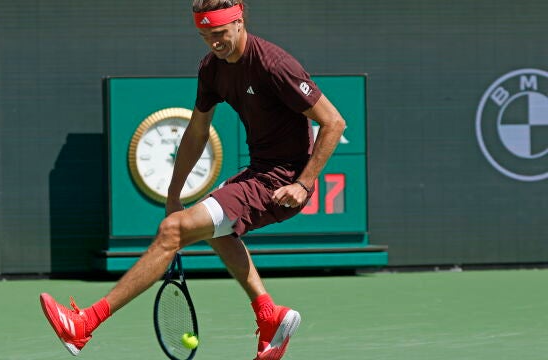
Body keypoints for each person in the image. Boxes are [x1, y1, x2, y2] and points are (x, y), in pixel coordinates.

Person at [39, 0, 346, 359]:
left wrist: (304, 183)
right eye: (204, 35)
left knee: (174, 232)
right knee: (212, 228)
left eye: (219, 33)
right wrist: (173, 194)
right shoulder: (212, 69)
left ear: (239, 21)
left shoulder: (275, 65)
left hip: (280, 180)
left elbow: (334, 122)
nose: (213, 42)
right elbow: (197, 131)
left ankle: (84, 325)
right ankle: (268, 316)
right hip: (258, 170)